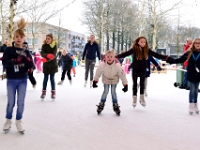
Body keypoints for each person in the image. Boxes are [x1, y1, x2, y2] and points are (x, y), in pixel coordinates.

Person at [116, 36, 171, 107]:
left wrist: (166, 57)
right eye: (141, 42)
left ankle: (142, 98)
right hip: (135, 68)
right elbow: (125, 54)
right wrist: (117, 56)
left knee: (142, 84)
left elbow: (156, 55)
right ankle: (134, 99)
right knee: (135, 84)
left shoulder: (147, 50)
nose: (143, 43)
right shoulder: (134, 49)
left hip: (143, 69)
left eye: (144, 42)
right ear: (138, 42)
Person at [2, 18, 34, 133]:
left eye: (21, 37)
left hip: (22, 80)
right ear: (14, 38)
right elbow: (4, 62)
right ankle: (8, 120)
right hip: (11, 79)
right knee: (11, 102)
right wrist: (14, 61)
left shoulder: (26, 51)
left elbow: (32, 65)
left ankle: (19, 121)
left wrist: (28, 61)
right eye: (17, 36)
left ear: (24, 38)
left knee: (21, 102)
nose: (19, 39)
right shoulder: (9, 50)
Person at [167, 38, 200, 115]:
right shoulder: (189, 52)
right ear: (193, 44)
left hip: (198, 74)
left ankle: (195, 103)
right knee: (192, 89)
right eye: (196, 43)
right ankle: (191, 104)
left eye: (199, 43)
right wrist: (172, 61)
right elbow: (181, 59)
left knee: (196, 90)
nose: (197, 44)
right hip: (191, 72)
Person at [92, 50, 128, 115]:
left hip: (114, 79)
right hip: (106, 79)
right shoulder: (102, 65)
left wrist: (125, 84)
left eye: (111, 57)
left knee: (113, 91)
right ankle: (101, 104)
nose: (109, 58)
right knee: (105, 91)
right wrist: (95, 81)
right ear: (105, 57)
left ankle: (115, 105)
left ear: (114, 58)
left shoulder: (117, 66)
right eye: (108, 57)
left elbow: (122, 74)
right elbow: (98, 72)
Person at [40, 33, 58, 100]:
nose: (47, 40)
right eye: (46, 38)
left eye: (49, 39)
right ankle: (43, 92)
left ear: (51, 39)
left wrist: (46, 59)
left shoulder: (54, 46)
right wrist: (47, 55)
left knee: (52, 79)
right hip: (46, 66)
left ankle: (53, 92)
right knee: (45, 79)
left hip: (53, 65)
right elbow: (42, 53)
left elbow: (53, 55)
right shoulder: (44, 46)